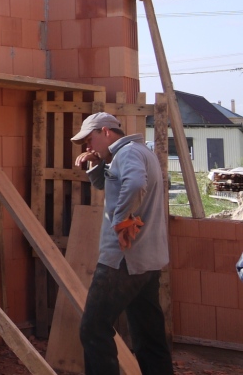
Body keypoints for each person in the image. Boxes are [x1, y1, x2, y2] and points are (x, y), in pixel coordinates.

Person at [72, 112, 173, 375]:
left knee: (93, 328)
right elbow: (112, 185)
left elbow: (136, 183)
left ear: (105, 131)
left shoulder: (127, 153)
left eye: (90, 139)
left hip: (122, 260)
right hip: (147, 260)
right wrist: (98, 164)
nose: (88, 146)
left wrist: (119, 220)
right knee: (149, 335)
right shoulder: (139, 151)